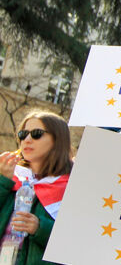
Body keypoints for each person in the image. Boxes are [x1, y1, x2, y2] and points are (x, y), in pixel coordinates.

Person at [0, 112, 72, 265]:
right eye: (23, 134)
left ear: (57, 140)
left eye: (36, 134)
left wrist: (40, 229)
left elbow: (77, 240)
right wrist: (3, 182)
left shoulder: (72, 186)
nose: (27, 140)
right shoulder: (10, 176)